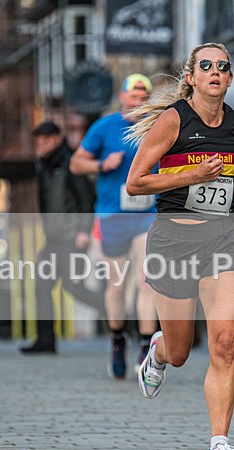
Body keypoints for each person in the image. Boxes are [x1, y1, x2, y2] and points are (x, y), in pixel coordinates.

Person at [125, 43, 234, 450]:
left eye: (223, 67)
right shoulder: (172, 121)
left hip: (222, 237)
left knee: (223, 343)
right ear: (191, 76)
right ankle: (159, 352)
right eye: (206, 66)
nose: (215, 72)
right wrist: (191, 175)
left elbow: (225, 175)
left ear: (230, 77)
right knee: (182, 351)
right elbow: (135, 183)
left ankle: (218, 448)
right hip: (173, 242)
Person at [70, 73, 159, 379]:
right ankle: (118, 339)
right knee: (117, 286)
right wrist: (101, 165)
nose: (139, 101)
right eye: (133, 96)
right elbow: (76, 163)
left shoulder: (159, 126)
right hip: (113, 217)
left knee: (148, 281)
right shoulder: (105, 127)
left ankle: (147, 348)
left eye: (144, 96)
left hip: (148, 215)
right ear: (121, 97)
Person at [20, 121, 105, 354]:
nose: (42, 144)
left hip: (71, 236)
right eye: (39, 140)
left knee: (72, 286)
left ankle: (117, 315)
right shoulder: (44, 165)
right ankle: (45, 340)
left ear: (58, 138)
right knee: (42, 285)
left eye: (46, 139)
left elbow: (86, 198)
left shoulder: (70, 162)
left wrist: (83, 232)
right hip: (53, 238)